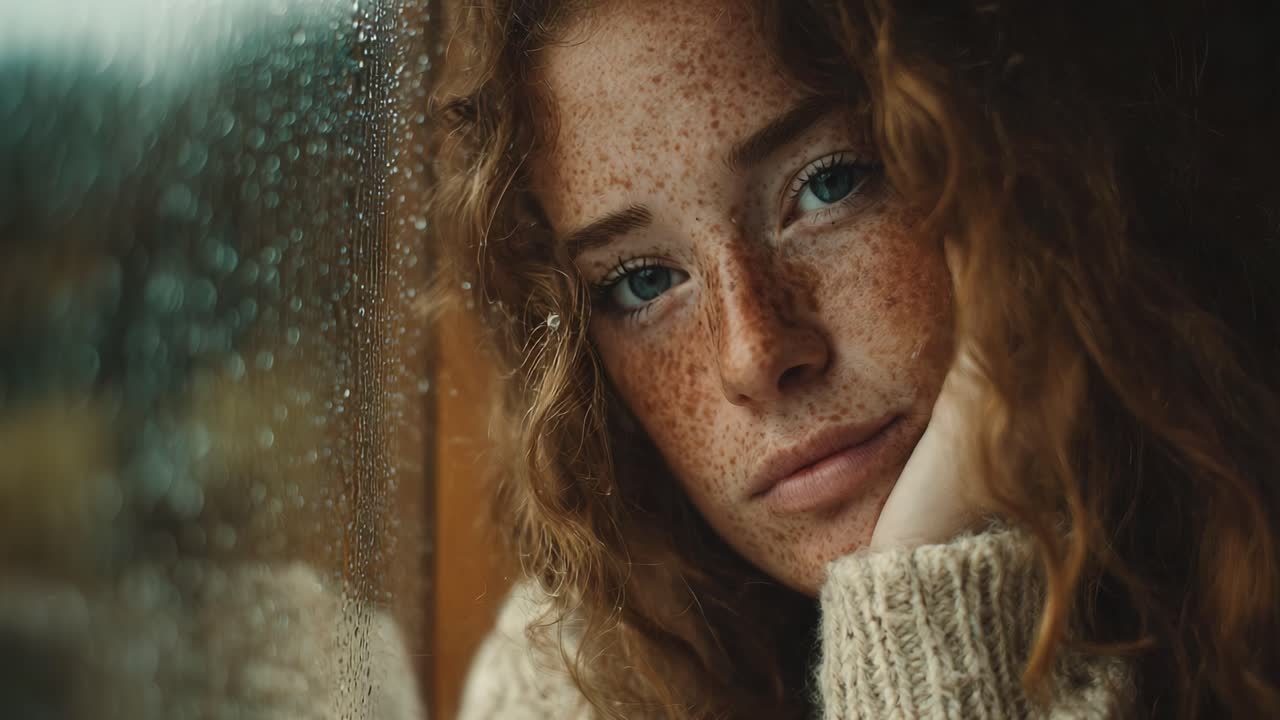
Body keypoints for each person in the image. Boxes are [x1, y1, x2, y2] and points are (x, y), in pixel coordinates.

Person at [428, 0, 1280, 717]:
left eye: (829, 185)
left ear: (1018, 166)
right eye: (642, 281)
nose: (755, 351)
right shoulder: (570, 682)